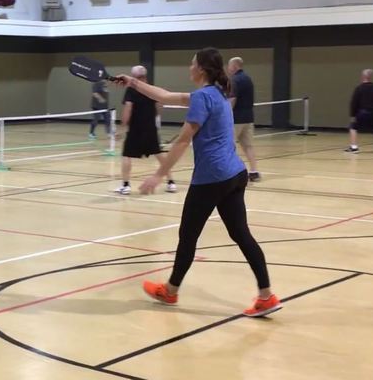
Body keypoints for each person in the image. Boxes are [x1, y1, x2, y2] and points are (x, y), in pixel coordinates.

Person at [115, 47, 281, 317]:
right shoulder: (216, 93)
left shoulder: (204, 97)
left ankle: (169, 291)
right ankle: (266, 296)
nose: (189, 68)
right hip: (234, 174)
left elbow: (182, 140)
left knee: (187, 237)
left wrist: (159, 174)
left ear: (201, 69)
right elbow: (167, 96)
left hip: (211, 178)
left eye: (192, 64)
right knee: (241, 234)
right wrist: (133, 83)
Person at [116, 65, 177, 195]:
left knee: (127, 155)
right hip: (150, 129)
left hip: (135, 129)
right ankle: (171, 182)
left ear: (133, 76)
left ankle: (126, 186)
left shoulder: (131, 90)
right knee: (159, 154)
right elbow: (159, 105)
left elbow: (128, 109)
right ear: (145, 75)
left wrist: (122, 128)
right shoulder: (151, 89)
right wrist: (155, 118)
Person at [227, 57, 260, 182]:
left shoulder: (234, 80)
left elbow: (232, 99)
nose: (228, 68)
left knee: (228, 146)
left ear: (235, 66)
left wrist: (226, 114)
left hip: (236, 119)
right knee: (248, 146)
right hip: (249, 118)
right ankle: (254, 171)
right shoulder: (248, 79)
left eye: (229, 66)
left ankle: (232, 172)